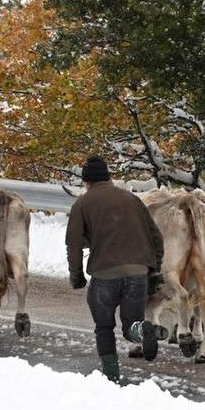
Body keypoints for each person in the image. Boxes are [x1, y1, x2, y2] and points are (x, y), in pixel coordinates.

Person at [66, 155, 165, 382]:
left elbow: (73, 245)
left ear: (86, 182)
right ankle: (142, 330)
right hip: (138, 272)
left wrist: (77, 276)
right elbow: (156, 237)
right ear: (109, 178)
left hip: (104, 273)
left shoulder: (82, 203)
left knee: (104, 326)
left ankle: (111, 376)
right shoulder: (132, 199)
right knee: (130, 323)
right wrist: (153, 270)